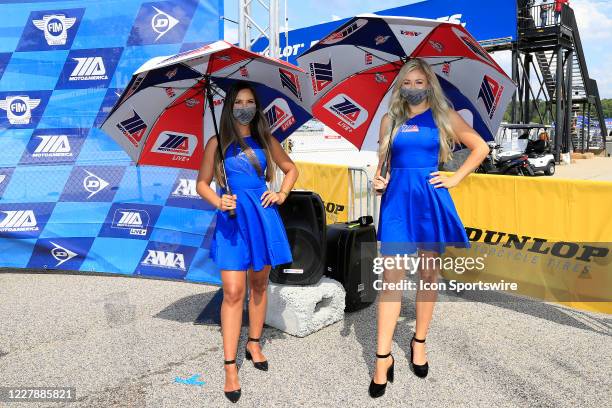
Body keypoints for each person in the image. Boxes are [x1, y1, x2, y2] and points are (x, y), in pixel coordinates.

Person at [369, 58, 488, 398]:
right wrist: (379, 180)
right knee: (391, 277)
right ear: (400, 86)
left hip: (430, 200)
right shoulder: (388, 120)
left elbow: (480, 148)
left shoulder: (443, 116)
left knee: (428, 275)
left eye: (421, 82)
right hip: (396, 204)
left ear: (430, 85)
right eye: (408, 81)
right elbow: (383, 166)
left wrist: (455, 177)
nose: (414, 87)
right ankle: (382, 357)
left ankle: (418, 341)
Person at [196, 81, 298, 403]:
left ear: (257, 106)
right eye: (238, 101)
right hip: (232, 220)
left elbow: (291, 169)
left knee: (259, 284)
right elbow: (201, 183)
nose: (244, 106)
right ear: (229, 107)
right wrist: (218, 200)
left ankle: (254, 342)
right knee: (233, 292)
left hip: (263, 217)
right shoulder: (217, 142)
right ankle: (230, 366)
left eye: (249, 101)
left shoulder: (267, 139)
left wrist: (281, 193)